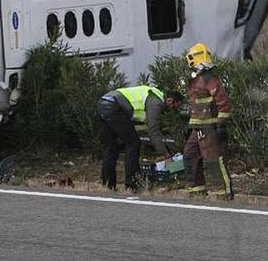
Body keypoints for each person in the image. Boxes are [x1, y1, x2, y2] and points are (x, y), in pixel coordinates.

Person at [96, 85, 184, 192]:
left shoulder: (151, 95)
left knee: (110, 147)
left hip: (103, 104)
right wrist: (166, 155)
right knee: (133, 144)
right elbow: (153, 132)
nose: (173, 110)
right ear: (170, 100)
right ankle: (131, 185)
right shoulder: (156, 102)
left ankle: (108, 185)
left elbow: (139, 125)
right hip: (114, 108)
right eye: (174, 107)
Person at [184, 42, 234, 199]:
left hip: (210, 128)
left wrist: (221, 125)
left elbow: (223, 103)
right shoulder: (197, 79)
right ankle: (197, 192)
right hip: (198, 128)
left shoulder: (209, 79)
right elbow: (196, 105)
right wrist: (191, 125)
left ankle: (223, 195)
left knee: (213, 161)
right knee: (189, 156)